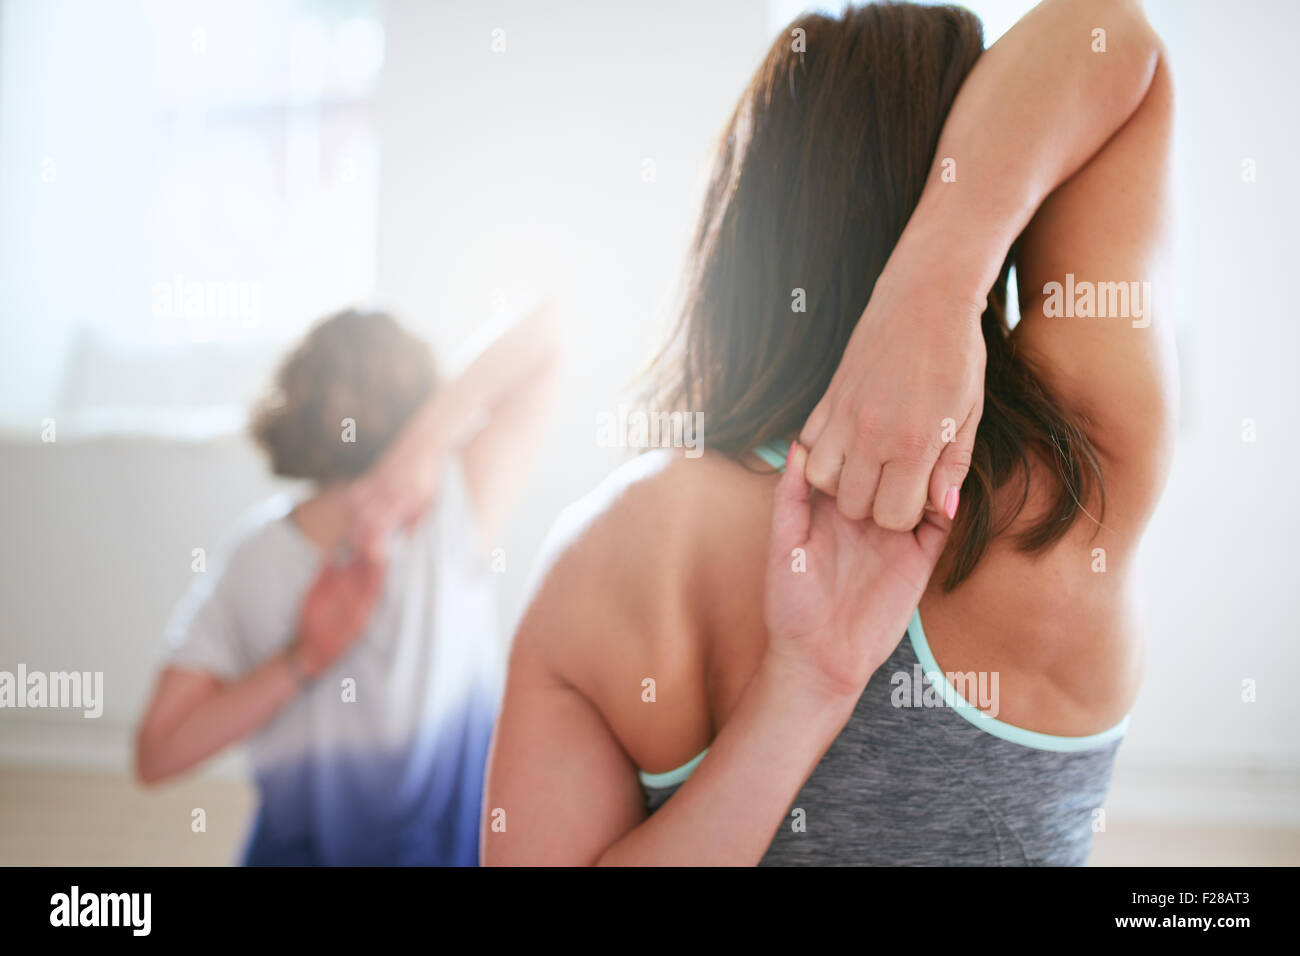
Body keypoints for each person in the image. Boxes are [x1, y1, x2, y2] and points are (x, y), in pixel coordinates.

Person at [480, 0, 1175, 864]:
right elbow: (1115, 36)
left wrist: (801, 697)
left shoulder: (610, 550)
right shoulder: (1073, 488)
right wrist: (939, 285)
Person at [135, 303, 560, 865]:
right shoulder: (453, 506)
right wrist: (428, 442)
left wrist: (297, 663)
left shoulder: (254, 553)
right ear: (419, 401)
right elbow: (545, 329)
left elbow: (157, 753)